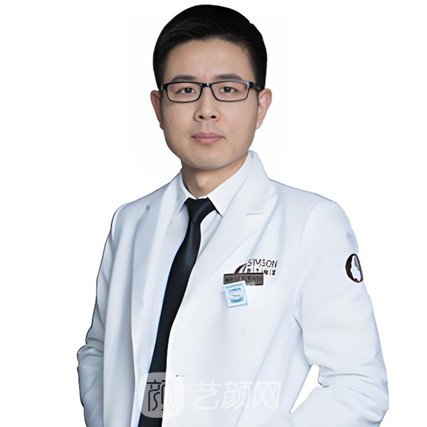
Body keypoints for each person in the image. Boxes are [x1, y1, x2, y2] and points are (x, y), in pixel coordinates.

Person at [76, 4, 389, 427]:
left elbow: (359, 385)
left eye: (228, 89)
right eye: (185, 90)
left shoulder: (310, 223)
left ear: (261, 105)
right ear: (158, 106)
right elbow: (99, 350)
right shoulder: (130, 222)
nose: (206, 109)